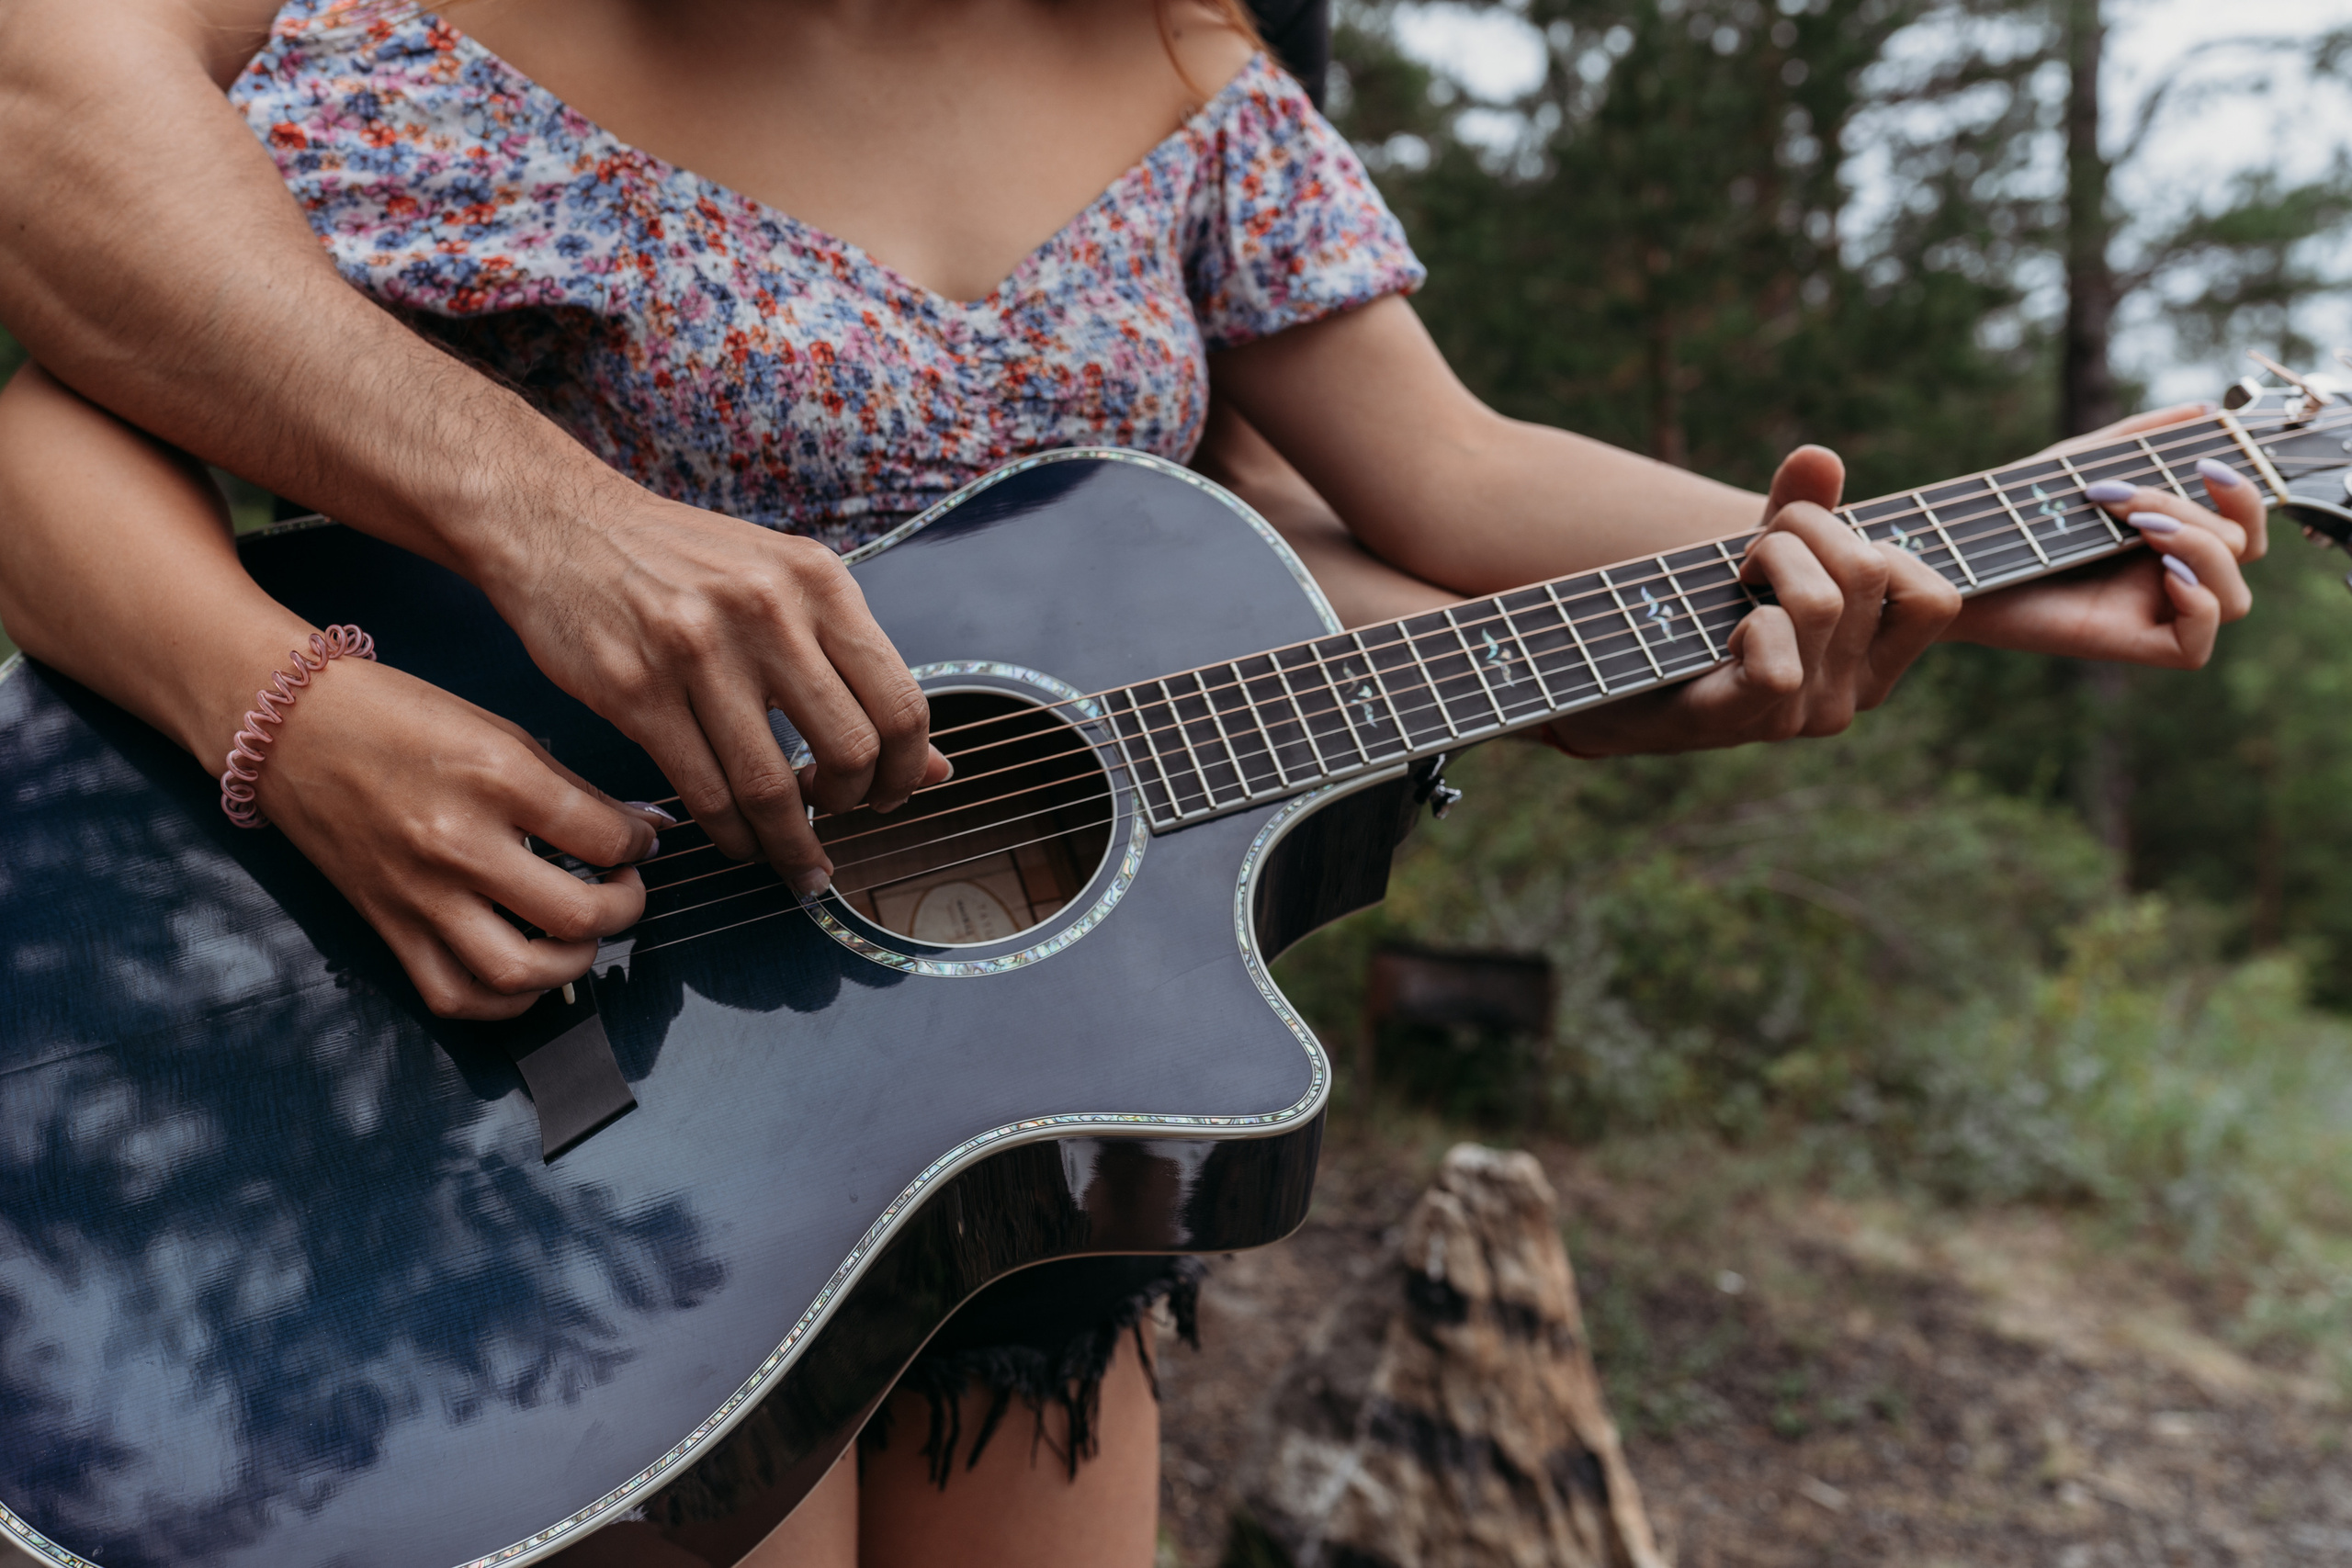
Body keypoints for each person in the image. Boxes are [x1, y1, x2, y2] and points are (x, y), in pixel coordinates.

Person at [0, 0, 2267, 1562]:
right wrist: (289, 706)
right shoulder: (385, 32)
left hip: (998, 1151)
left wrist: (1964, 548)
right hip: (536, 1127)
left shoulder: (1193, 74)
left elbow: (1444, 494)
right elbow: (56, 389)